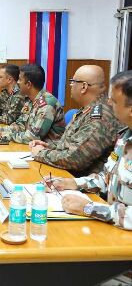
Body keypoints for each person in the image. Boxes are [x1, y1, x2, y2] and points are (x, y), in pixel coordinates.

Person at [46, 70, 132, 230]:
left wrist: (89, 208)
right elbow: (107, 178)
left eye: (113, 100)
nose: (108, 103)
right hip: (114, 230)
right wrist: (71, 183)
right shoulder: (125, 136)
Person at [30, 65, 123, 176]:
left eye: (73, 82)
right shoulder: (88, 109)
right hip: (67, 176)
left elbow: (75, 159)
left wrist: (40, 153)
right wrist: (49, 147)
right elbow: (74, 145)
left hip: (83, 185)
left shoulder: (99, 117)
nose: (71, 85)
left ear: (83, 87)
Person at [0, 64, 65, 144]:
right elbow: (20, 125)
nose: (17, 83)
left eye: (19, 80)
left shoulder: (47, 104)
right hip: (32, 148)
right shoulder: (30, 100)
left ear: (28, 84)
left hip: (49, 150)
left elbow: (33, 137)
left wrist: (2, 134)